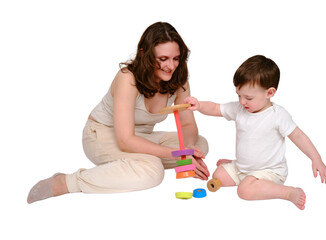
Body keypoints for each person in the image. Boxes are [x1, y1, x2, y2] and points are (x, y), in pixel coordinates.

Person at [27, 22, 209, 204]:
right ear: (144, 54)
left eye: (176, 58)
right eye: (163, 59)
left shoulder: (179, 80)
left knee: (200, 144)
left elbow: (186, 124)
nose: (171, 66)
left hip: (142, 136)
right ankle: (68, 182)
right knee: (153, 171)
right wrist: (176, 154)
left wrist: (188, 152)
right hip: (104, 134)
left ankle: (135, 165)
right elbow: (125, 140)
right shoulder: (127, 78)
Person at [185, 55, 326, 210]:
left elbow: (298, 136)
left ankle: (288, 192)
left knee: (244, 191)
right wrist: (199, 105)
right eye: (239, 95)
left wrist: (316, 158)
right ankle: (243, 168)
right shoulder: (240, 109)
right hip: (243, 168)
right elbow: (216, 108)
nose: (242, 101)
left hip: (270, 171)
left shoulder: (277, 115)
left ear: (269, 93)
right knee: (218, 175)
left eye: (248, 97)